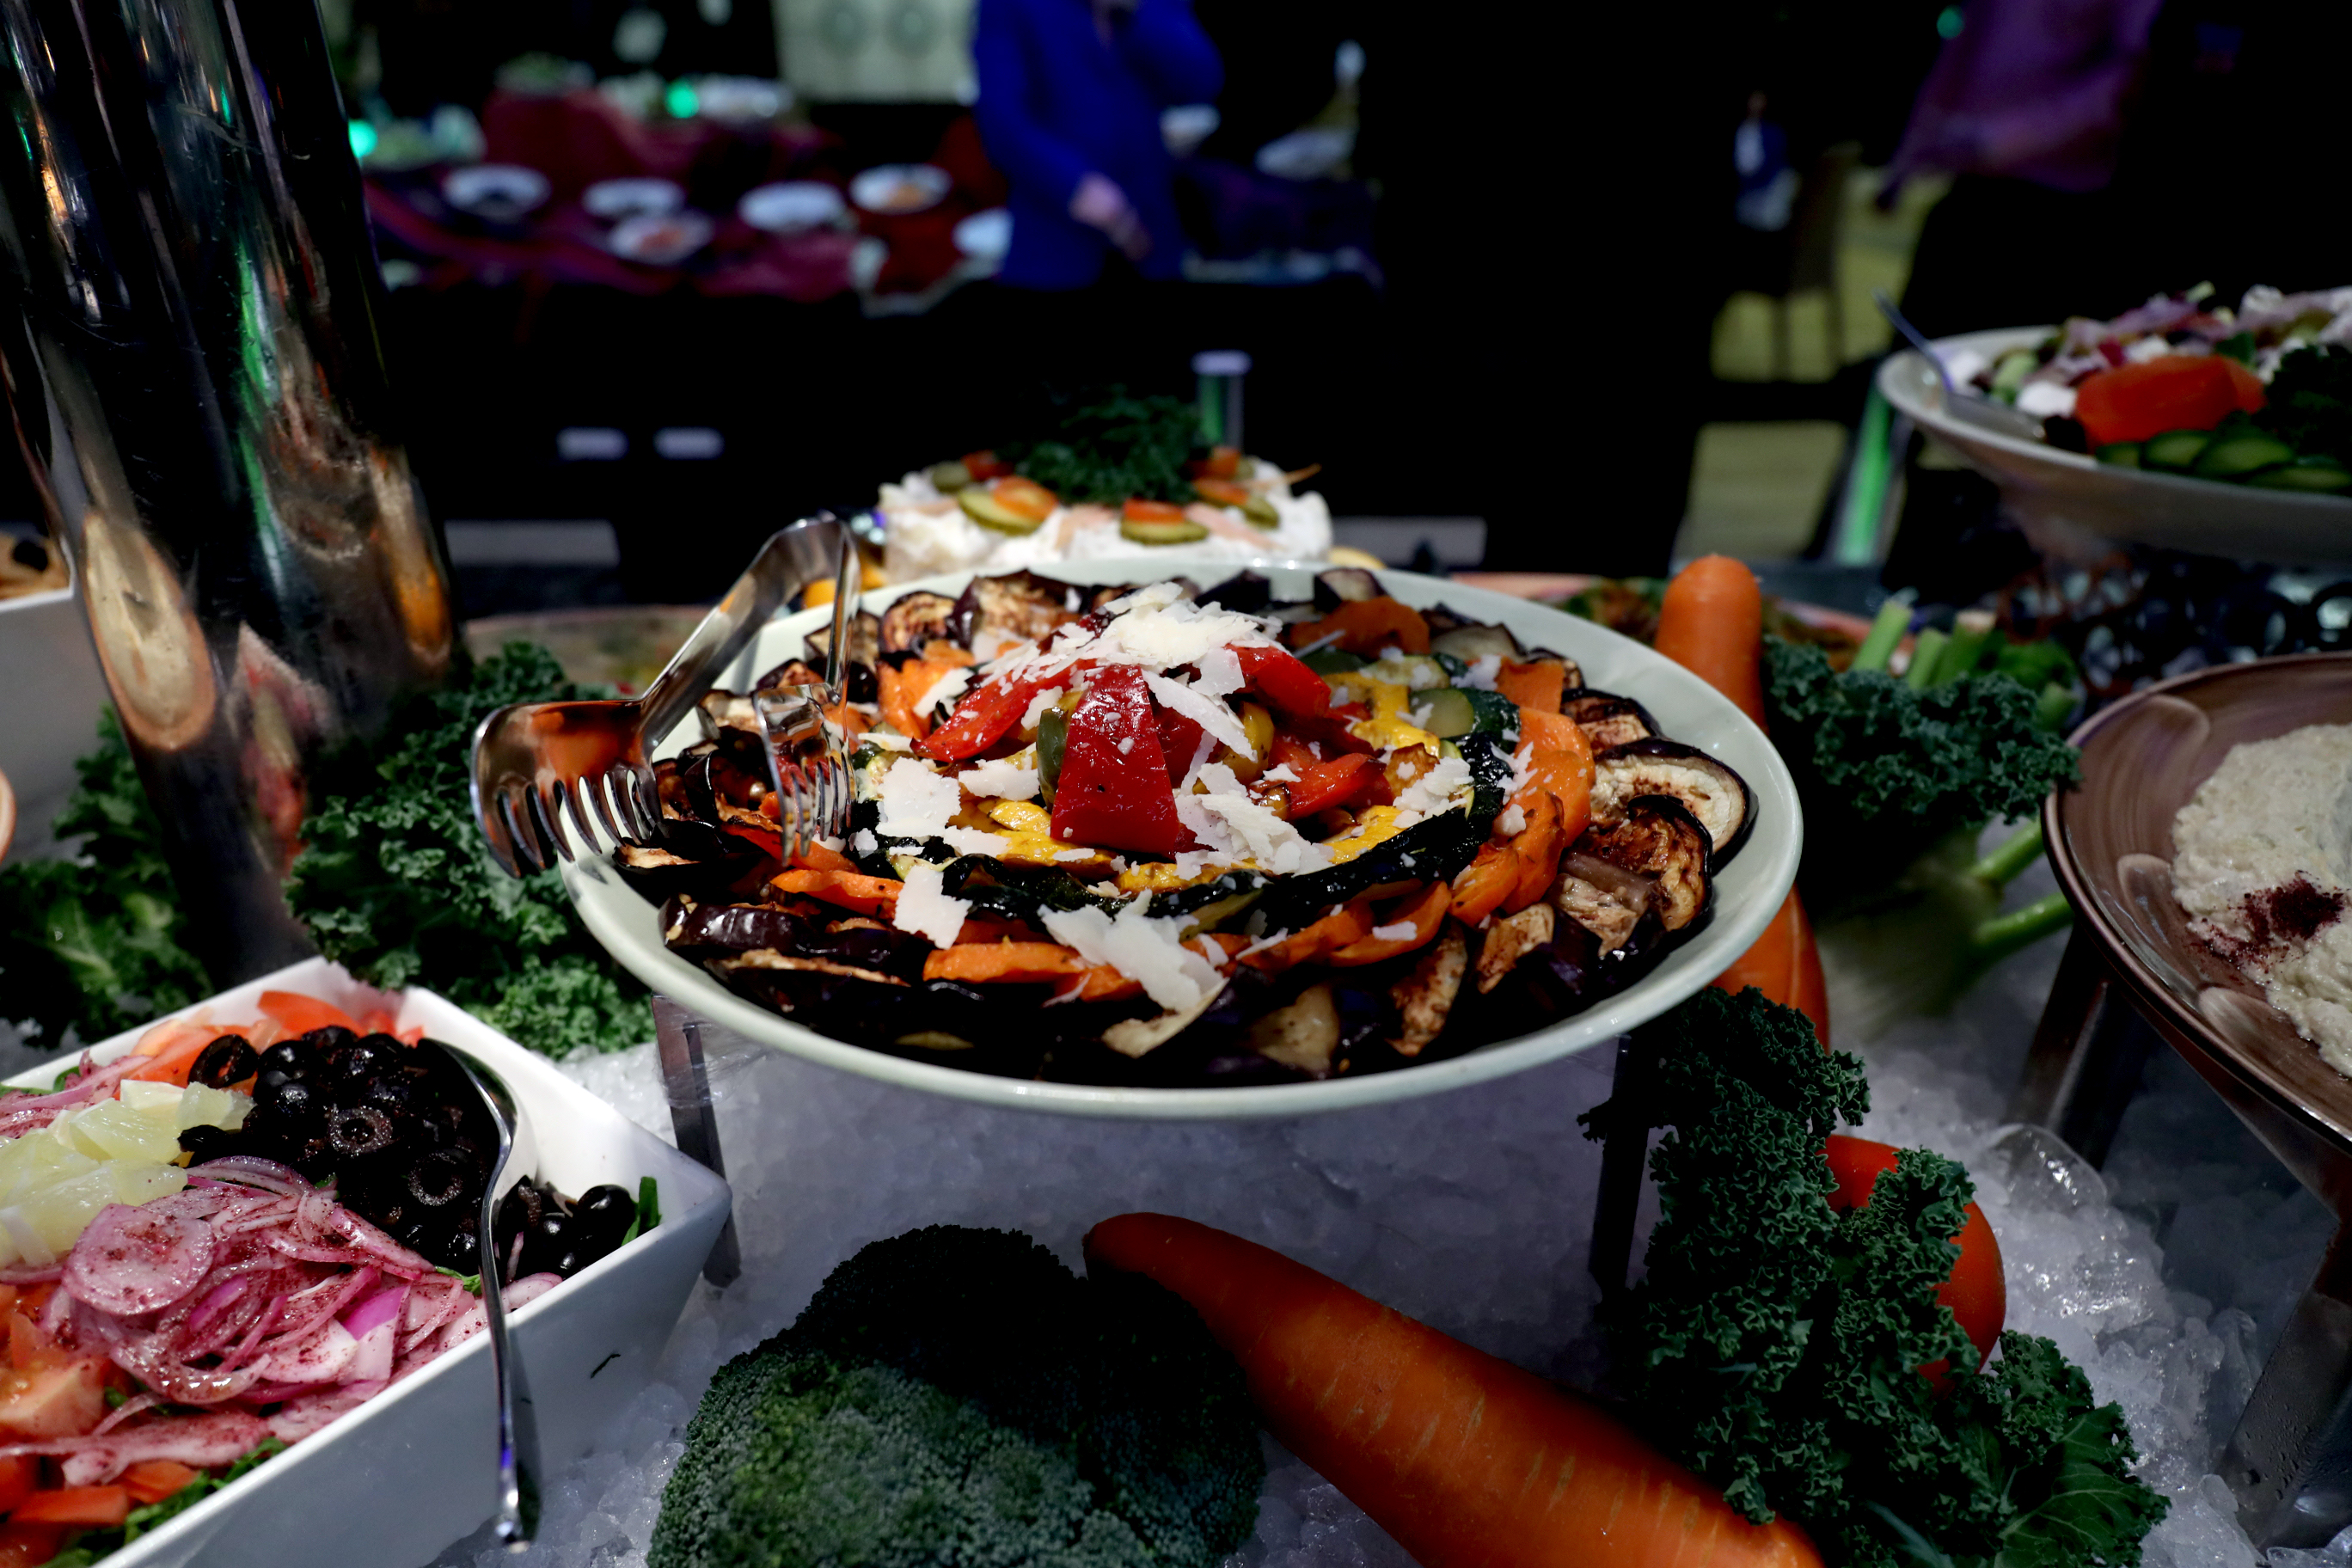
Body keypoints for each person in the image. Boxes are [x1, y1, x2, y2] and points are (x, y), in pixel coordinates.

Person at [971, 0, 1222, 291]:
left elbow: (1202, 81)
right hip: (1056, 242)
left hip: (1153, 234)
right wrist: (1076, 187)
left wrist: (1137, 9)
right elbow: (1002, 123)